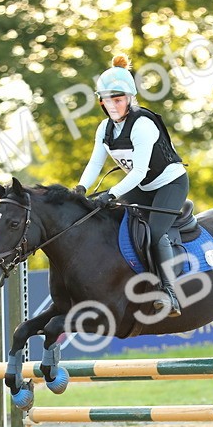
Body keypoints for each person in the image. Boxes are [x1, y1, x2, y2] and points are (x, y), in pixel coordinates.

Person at [75, 55, 188, 317]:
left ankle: (170, 294)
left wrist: (111, 193)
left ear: (130, 98)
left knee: (154, 233)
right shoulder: (104, 128)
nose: (113, 106)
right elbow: (95, 163)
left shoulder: (142, 125)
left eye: (118, 99)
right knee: (111, 220)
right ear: (101, 102)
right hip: (143, 186)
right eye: (108, 100)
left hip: (169, 183)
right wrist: (80, 188)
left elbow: (139, 171)